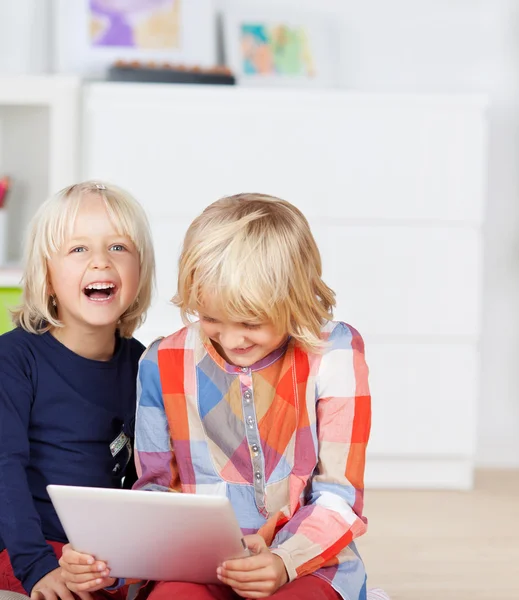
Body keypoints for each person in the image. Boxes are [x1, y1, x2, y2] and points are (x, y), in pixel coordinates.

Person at [61, 193, 373, 600]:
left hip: (304, 559)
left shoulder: (333, 352)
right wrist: (106, 563)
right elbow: (154, 494)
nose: (231, 339)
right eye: (210, 319)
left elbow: (339, 496)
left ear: (294, 299)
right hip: (194, 563)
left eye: (250, 322)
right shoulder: (162, 361)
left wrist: (284, 561)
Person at [0, 181, 155, 600]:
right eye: (78, 249)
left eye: (119, 247)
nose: (101, 261)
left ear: (140, 272)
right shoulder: (13, 359)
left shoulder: (147, 364)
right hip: (23, 546)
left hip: (103, 554)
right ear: (46, 277)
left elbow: (151, 472)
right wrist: (38, 567)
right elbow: (4, 469)